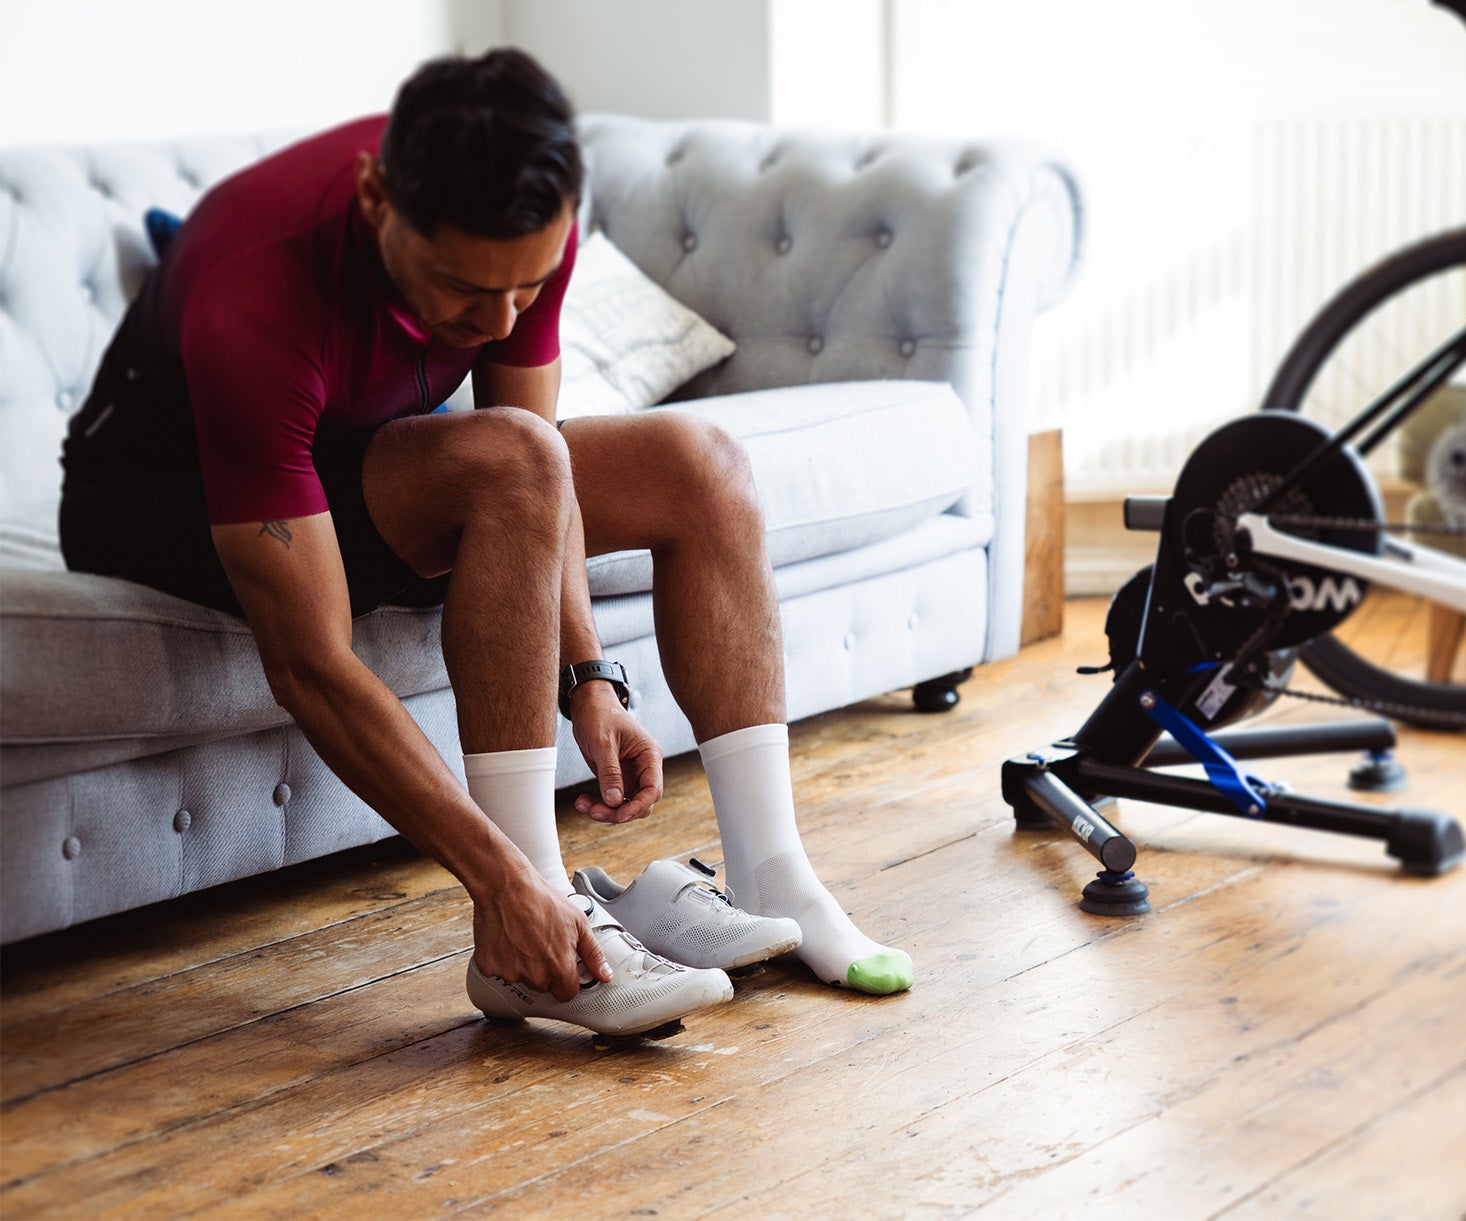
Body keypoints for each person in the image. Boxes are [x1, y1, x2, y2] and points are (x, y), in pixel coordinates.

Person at [58, 48, 913, 1043]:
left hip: (361, 457)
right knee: (505, 458)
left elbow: (541, 473)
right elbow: (308, 664)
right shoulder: (252, 289)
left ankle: (773, 872)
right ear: (377, 200)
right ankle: (531, 928)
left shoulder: (526, 234)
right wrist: (503, 881)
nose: (501, 319)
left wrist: (589, 676)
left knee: (701, 464)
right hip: (164, 503)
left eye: (527, 287)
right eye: (466, 289)